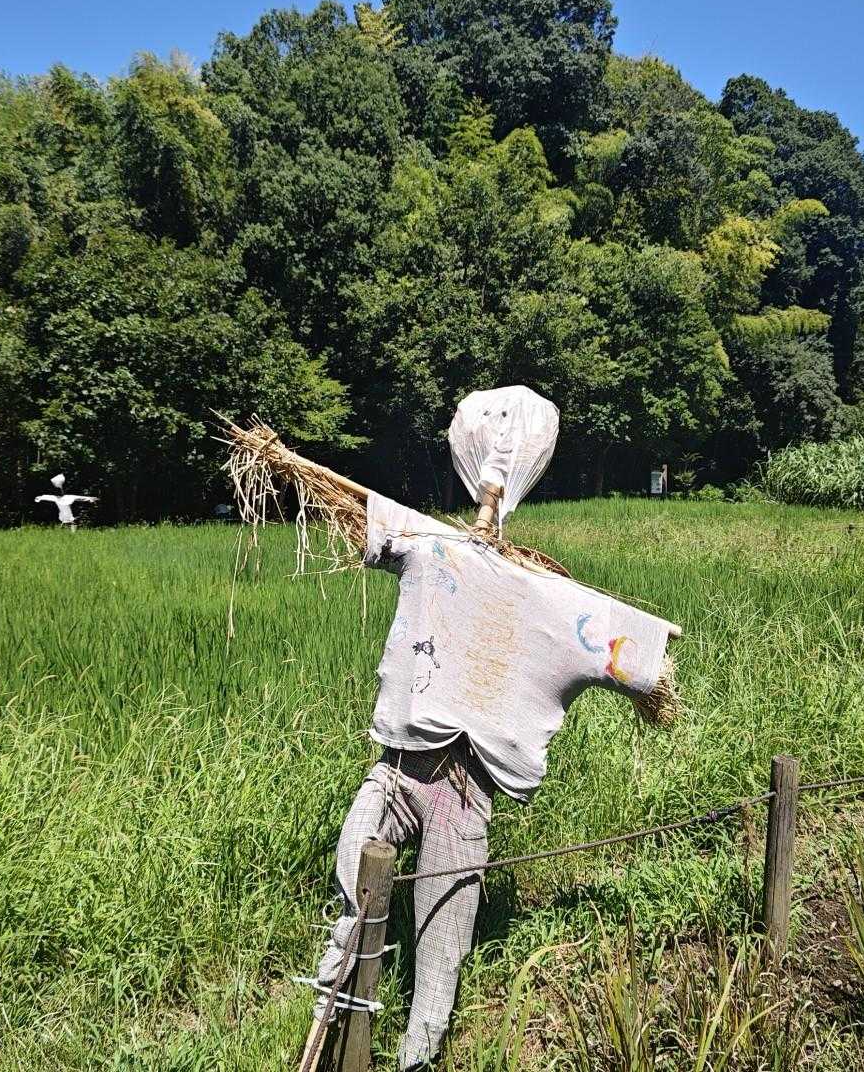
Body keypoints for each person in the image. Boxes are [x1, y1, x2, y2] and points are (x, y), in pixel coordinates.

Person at [232, 388, 681, 1069]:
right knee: (356, 885)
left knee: (443, 935)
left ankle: (419, 1054)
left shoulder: (548, 595)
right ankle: (332, 1023)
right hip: (397, 771)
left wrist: (649, 665)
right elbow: (352, 506)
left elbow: (641, 662)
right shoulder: (432, 548)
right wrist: (284, 464)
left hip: (465, 795)